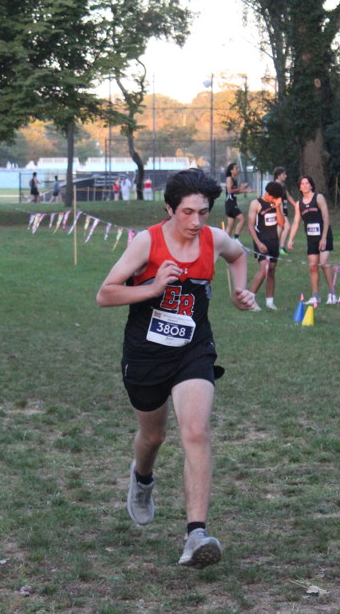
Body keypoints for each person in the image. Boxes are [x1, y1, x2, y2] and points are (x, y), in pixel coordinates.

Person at [96, 168, 257, 569]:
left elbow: (239, 254)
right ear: (169, 209)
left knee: (196, 431)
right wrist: (152, 287)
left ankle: (195, 535)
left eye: (203, 212)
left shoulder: (213, 239)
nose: (196, 221)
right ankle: (142, 479)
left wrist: (239, 290)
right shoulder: (146, 242)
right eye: (187, 212)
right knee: (153, 436)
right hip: (146, 355)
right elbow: (105, 294)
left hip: (193, 349)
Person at [286, 175, 337, 305]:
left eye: (307, 183)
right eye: (302, 184)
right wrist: (290, 239)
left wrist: (324, 238)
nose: (305, 186)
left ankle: (332, 294)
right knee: (313, 266)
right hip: (311, 238)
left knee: (324, 263)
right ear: (299, 187)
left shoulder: (318, 198)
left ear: (311, 185)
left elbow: (326, 217)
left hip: (324, 235)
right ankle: (315, 296)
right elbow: (296, 223)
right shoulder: (299, 204)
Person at [247, 181, 287, 310]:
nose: (274, 199)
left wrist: (277, 207)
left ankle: (270, 301)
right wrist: (258, 243)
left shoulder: (277, 203)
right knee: (264, 269)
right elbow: (250, 226)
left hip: (273, 240)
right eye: (273, 197)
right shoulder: (256, 204)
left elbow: (281, 224)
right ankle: (249, 299)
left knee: (271, 271)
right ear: (267, 193)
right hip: (261, 240)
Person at [223, 162, 249, 238]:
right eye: (236, 168)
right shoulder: (229, 179)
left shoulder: (234, 180)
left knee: (230, 225)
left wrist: (244, 191)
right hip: (230, 204)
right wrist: (240, 188)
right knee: (242, 219)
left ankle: (225, 241)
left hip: (232, 203)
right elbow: (229, 190)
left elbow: (235, 192)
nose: (238, 170)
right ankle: (235, 238)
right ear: (231, 171)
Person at [271, 167, 294, 250]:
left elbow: (288, 196)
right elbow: (277, 200)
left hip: (284, 210)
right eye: (284, 174)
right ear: (278, 176)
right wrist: (281, 212)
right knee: (287, 227)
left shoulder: (283, 185)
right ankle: (281, 247)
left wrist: (296, 205)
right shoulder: (275, 186)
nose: (286, 176)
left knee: (280, 228)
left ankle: (273, 246)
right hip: (279, 211)